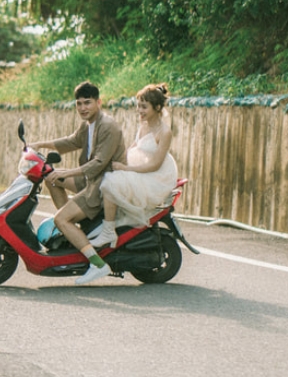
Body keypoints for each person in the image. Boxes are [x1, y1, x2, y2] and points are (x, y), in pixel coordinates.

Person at [30, 80, 126, 286]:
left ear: (98, 102)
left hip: (103, 185)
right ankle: (74, 231)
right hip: (91, 180)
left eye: (87, 103)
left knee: (60, 219)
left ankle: (98, 264)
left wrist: (66, 171)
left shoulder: (108, 127)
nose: (83, 108)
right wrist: (39, 144)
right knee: (51, 179)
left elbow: (99, 163)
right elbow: (71, 141)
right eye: (79, 103)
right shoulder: (88, 124)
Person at [89, 83, 178, 253]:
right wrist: (116, 160)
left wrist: (125, 168)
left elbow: (155, 164)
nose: (139, 110)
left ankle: (109, 231)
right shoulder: (143, 123)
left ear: (157, 107)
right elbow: (134, 146)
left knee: (111, 182)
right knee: (106, 174)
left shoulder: (164, 132)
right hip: (139, 168)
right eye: (138, 106)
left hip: (155, 177)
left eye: (144, 107)